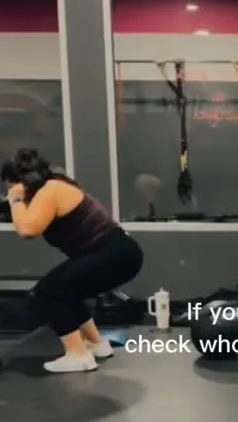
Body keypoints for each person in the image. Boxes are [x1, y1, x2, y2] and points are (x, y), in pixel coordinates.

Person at [1, 148, 143, 374]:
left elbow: (27, 229)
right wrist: (15, 202)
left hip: (114, 253)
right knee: (68, 290)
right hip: (120, 253)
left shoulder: (50, 190)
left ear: (22, 181)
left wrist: (16, 199)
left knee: (48, 291)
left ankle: (78, 356)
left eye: (9, 186)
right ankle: (96, 344)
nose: (8, 192)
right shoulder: (51, 187)